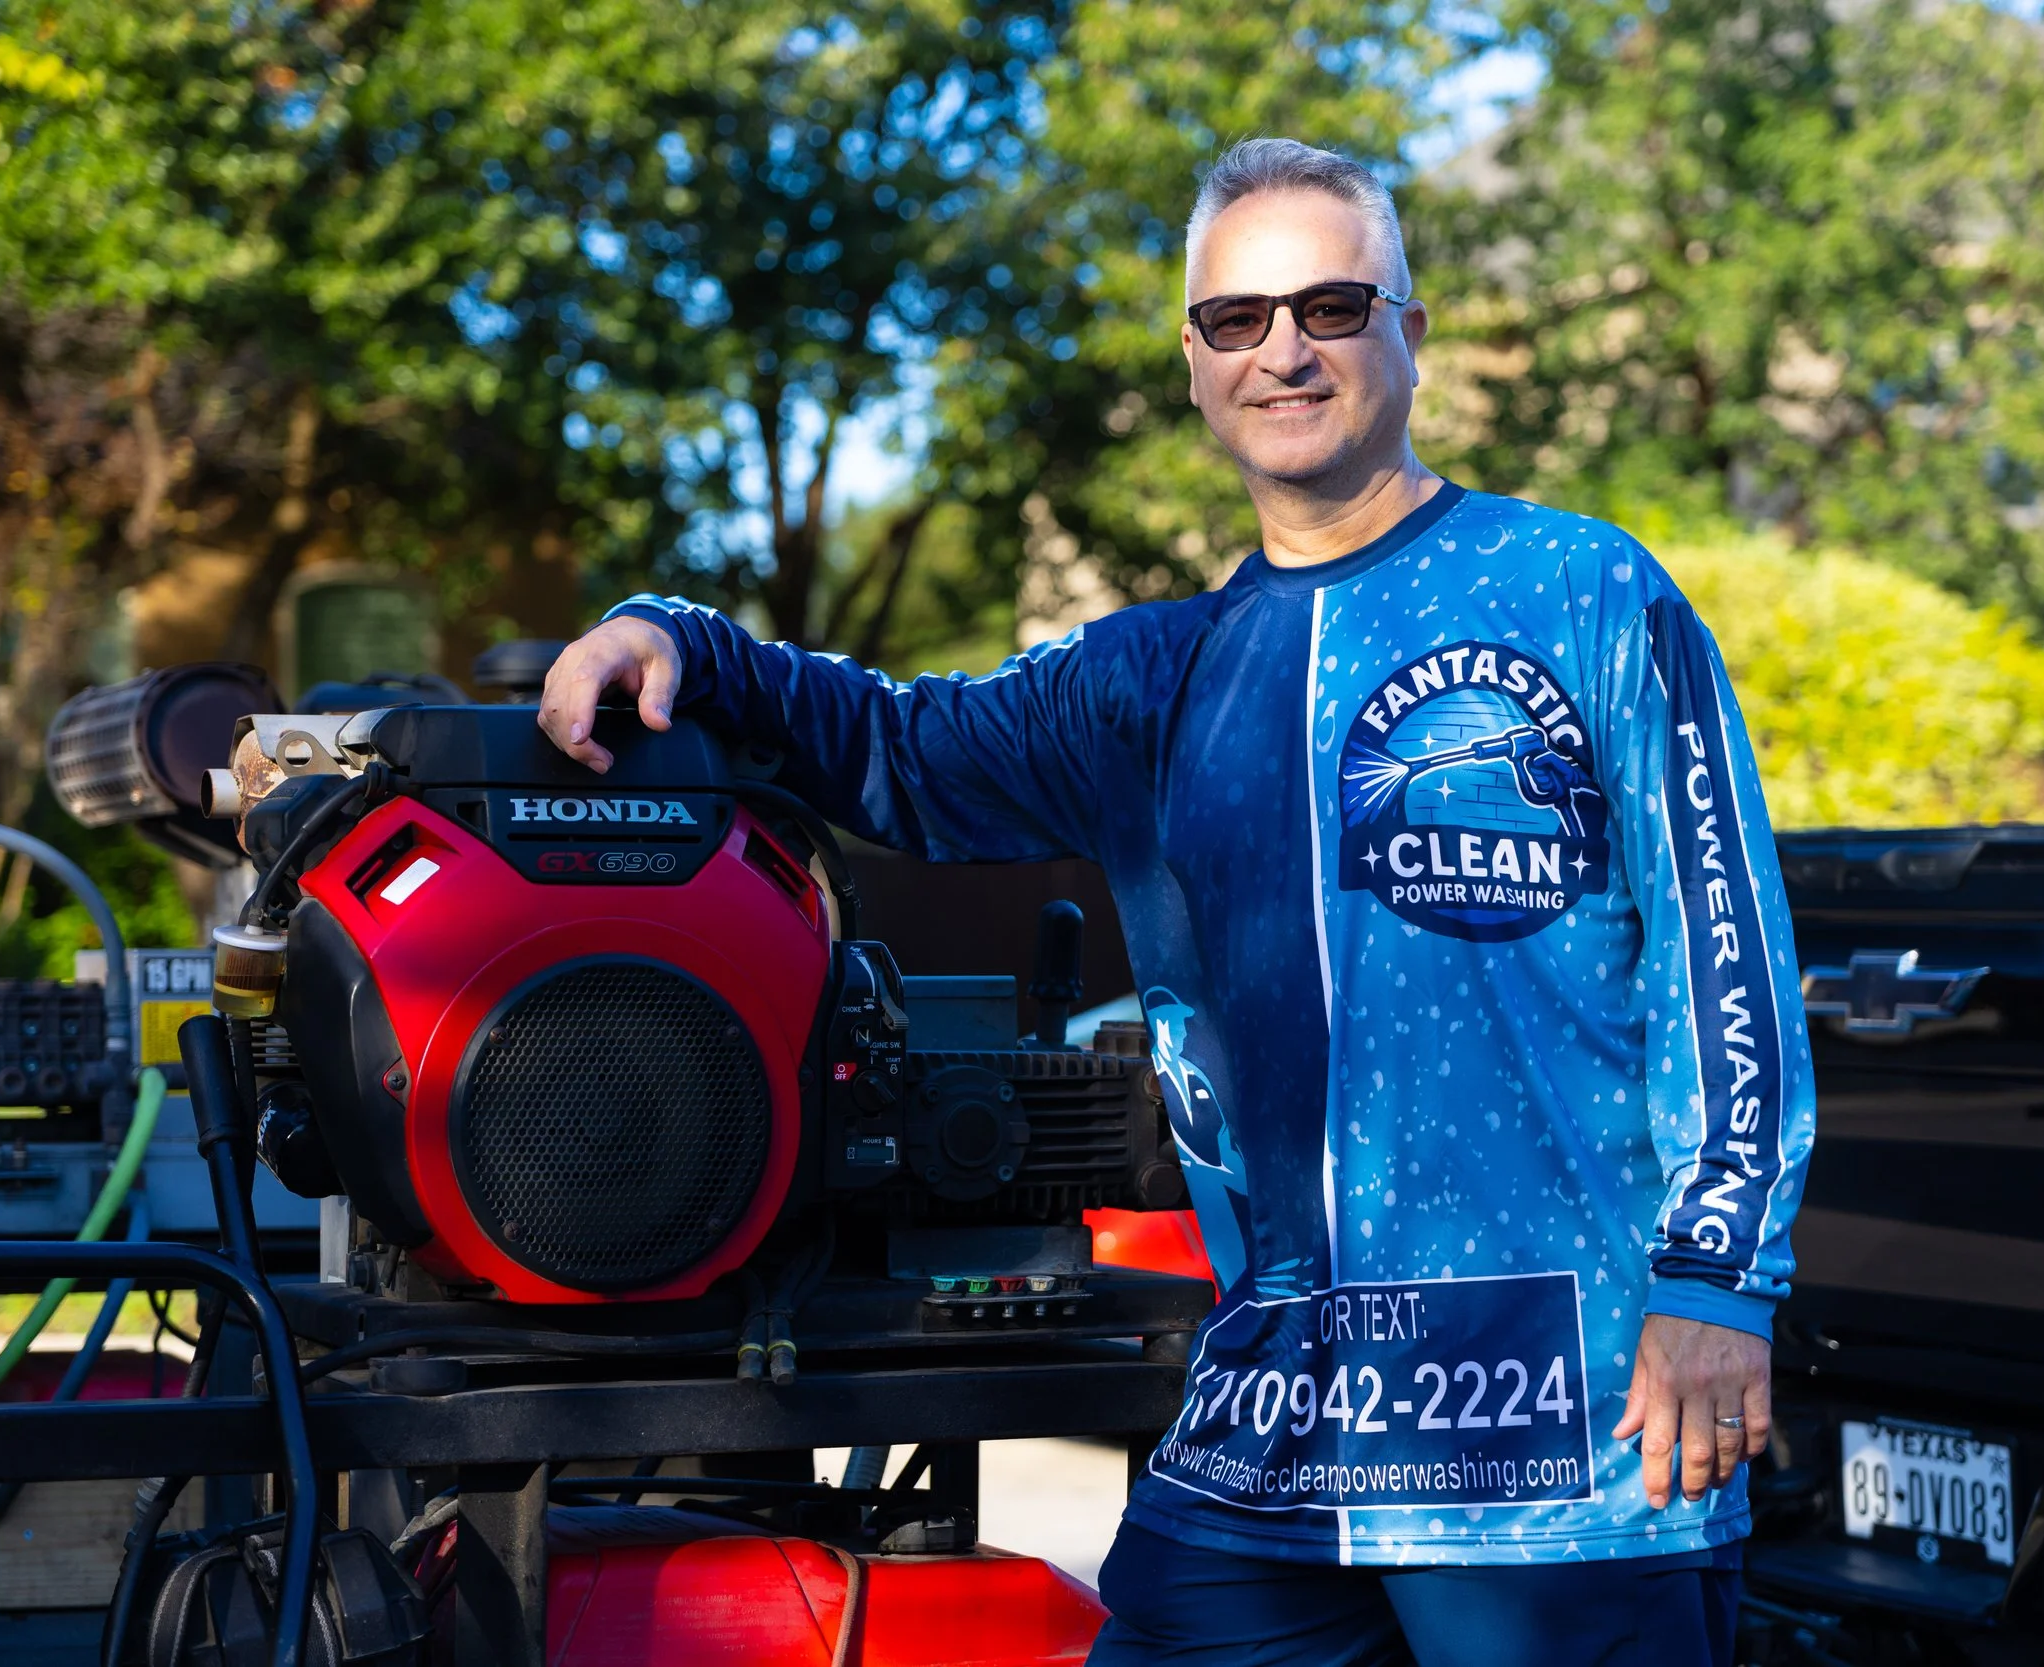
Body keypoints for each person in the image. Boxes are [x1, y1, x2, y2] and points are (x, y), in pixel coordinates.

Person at [539, 137, 1816, 1667]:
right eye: (1237, 319)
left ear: (1408, 332)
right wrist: (675, 633)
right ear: (1198, 369)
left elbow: (1722, 950)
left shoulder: (1586, 589)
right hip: (1276, 1420)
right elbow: (895, 745)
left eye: (1332, 305)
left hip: (1563, 1445)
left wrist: (1721, 1278)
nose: (1284, 347)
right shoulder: (1148, 679)